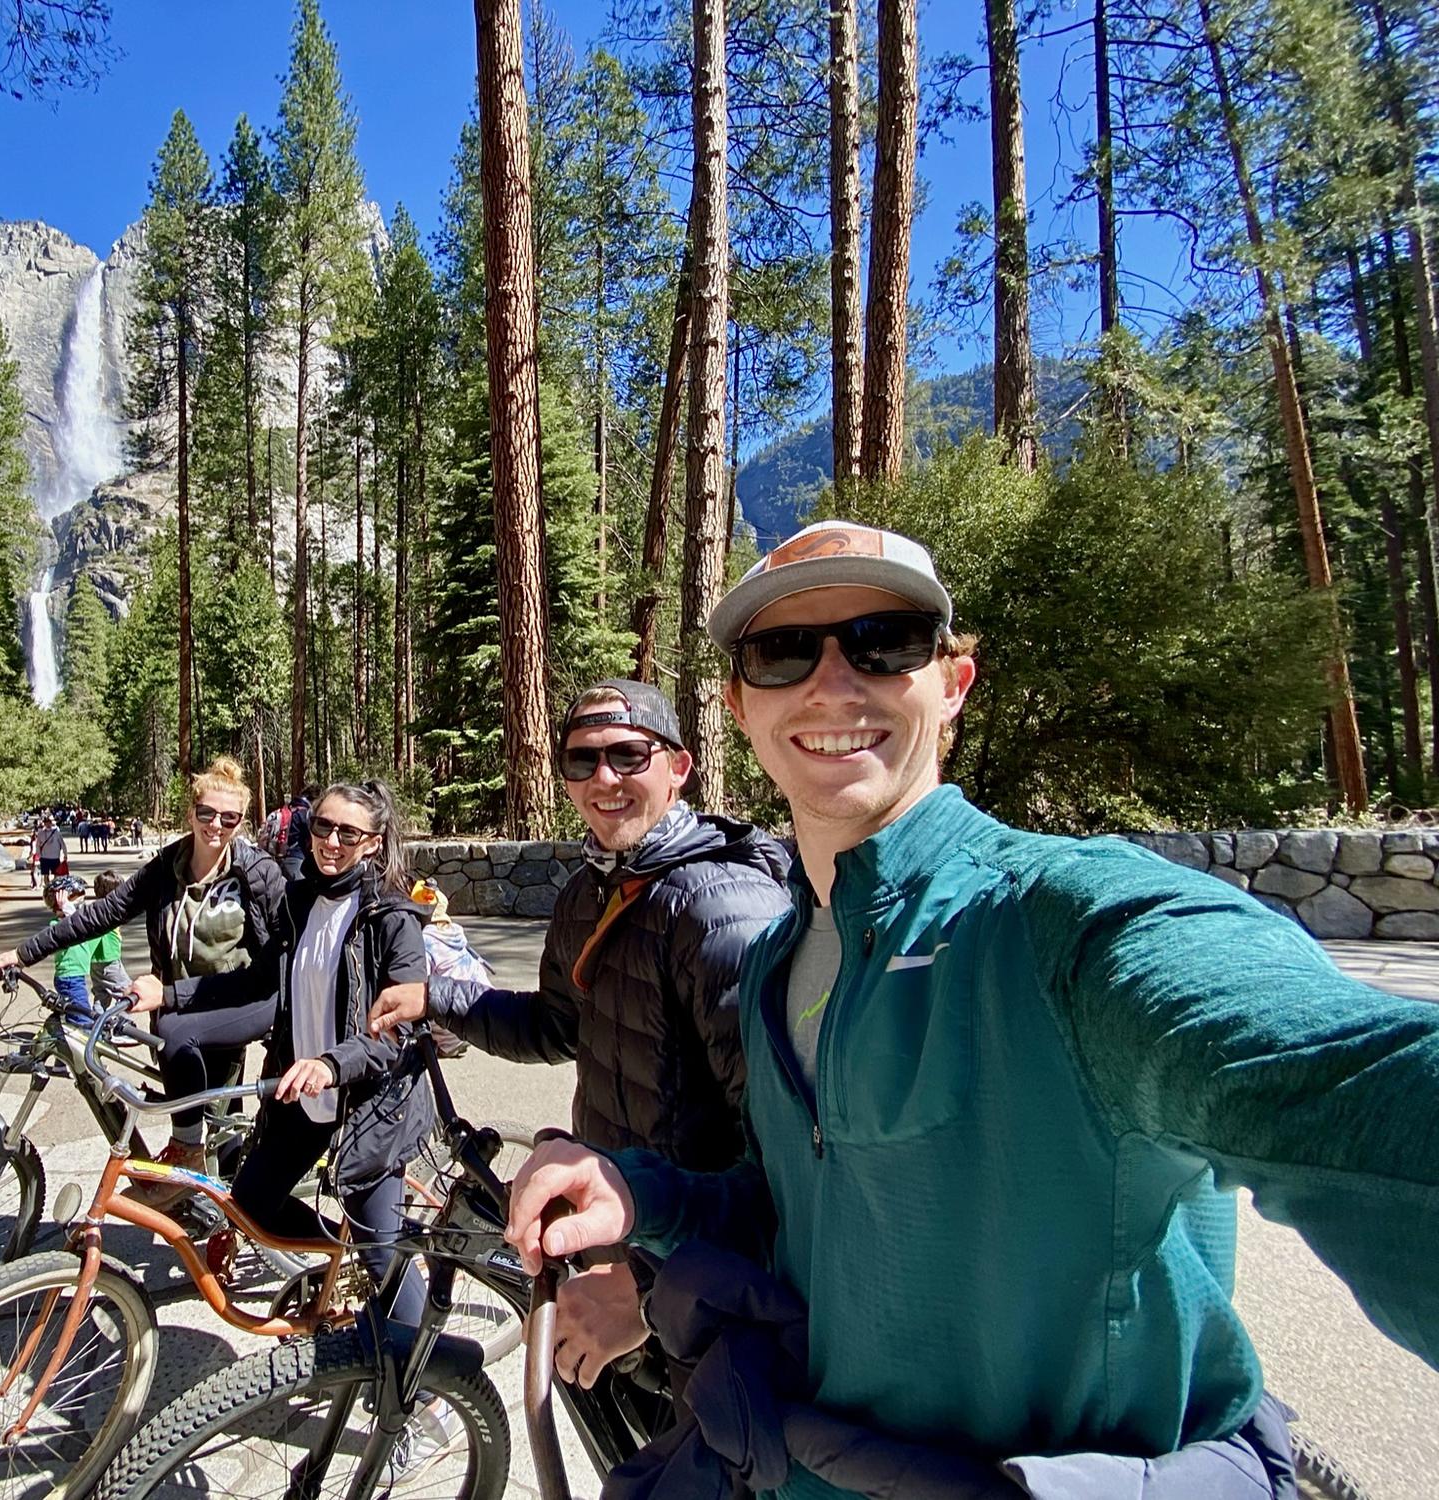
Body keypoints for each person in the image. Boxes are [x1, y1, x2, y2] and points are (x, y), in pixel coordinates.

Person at [507, 521, 1439, 1498]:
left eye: (884, 641)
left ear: (949, 685)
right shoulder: (786, 954)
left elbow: (1350, 1084)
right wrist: (644, 1195)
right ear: (740, 707)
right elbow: (801, 1205)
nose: (832, 682)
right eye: (784, 652)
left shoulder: (1069, 922)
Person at [367, 676, 790, 1391]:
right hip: (625, 1242)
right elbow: (558, 1025)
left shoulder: (723, 906)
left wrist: (649, 1295)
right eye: (582, 760)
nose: (605, 779)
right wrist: (437, 997)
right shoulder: (592, 890)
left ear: (678, 767)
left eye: (629, 755)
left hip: (707, 1296)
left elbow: (790, 1171)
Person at [151, 780, 435, 1314]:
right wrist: (169, 995)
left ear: (373, 842)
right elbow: (259, 983)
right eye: (321, 826)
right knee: (253, 1207)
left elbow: (395, 1033)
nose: (330, 841)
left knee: (386, 1259)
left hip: (370, 1105)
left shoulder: (392, 919)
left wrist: (332, 1064)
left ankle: (430, 1387)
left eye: (348, 833)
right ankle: (340, 1258)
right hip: (302, 1096)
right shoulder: (300, 900)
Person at [0, 757, 285, 1201]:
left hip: (242, 996)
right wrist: (25, 953)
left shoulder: (256, 873)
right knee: (214, 1106)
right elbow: (104, 912)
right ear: (191, 813)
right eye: (206, 814)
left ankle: (189, 1155)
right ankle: (218, 1201)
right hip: (181, 999)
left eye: (229, 817)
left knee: (182, 1046)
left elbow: (284, 949)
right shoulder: (169, 866)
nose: (215, 825)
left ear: (241, 822)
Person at [39, 875, 126, 1030]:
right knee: (82, 1021)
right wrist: (65, 905)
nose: (82, 904)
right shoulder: (59, 925)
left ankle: (94, 1028)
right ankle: (88, 1042)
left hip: (74, 979)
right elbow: (75, 923)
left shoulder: (70, 921)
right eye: (77, 899)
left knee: (82, 1011)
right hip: (70, 981)